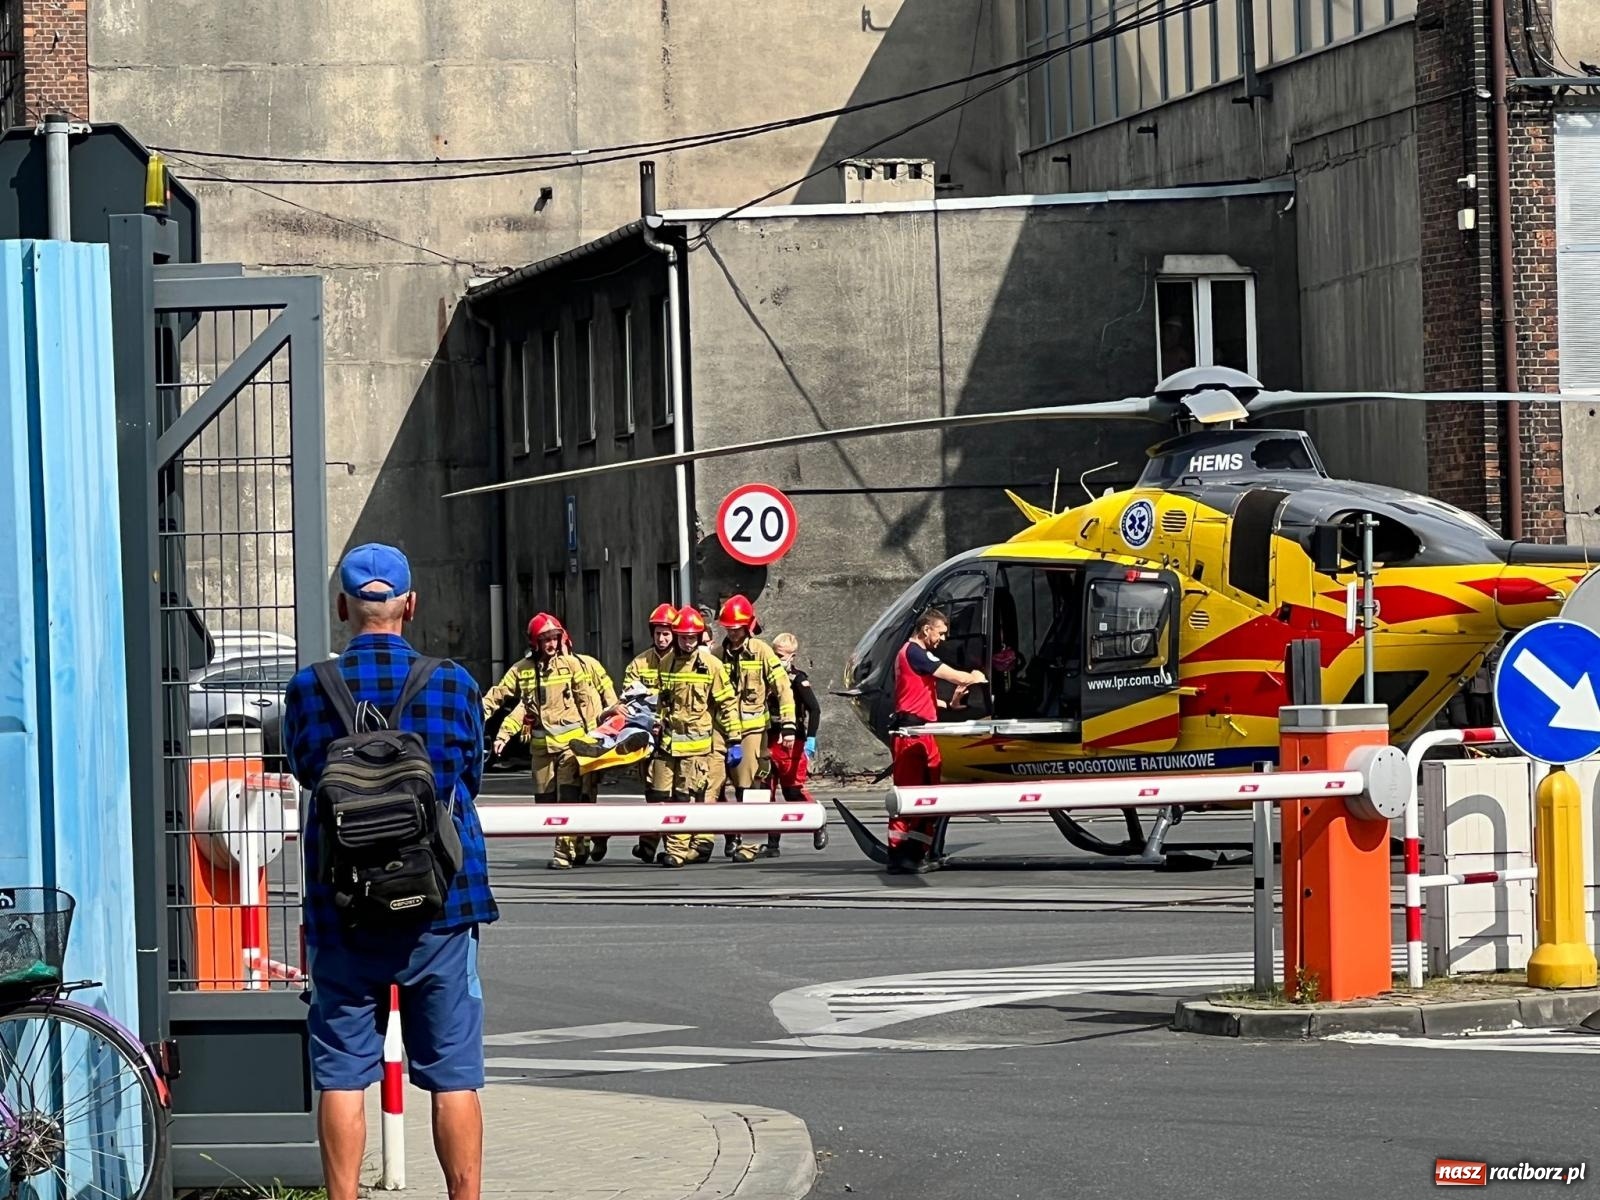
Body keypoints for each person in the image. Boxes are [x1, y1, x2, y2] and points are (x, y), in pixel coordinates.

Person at [281, 543, 495, 1200]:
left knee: (343, 1071)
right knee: (454, 1074)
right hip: (441, 905)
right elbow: (469, 779)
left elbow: (308, 774)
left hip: (342, 905)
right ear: (411, 605)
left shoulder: (311, 687)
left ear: (342, 607)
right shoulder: (453, 683)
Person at [483, 612, 600, 869]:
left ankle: (563, 853)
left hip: (571, 747)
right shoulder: (522, 670)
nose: (551, 644)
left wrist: (594, 738)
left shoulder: (571, 666)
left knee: (567, 799)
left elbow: (586, 702)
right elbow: (503, 697)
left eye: (555, 638)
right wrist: (482, 718)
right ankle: (580, 843)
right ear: (534, 642)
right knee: (545, 805)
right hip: (541, 751)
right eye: (546, 639)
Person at [886, 607, 985, 874]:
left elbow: (921, 696)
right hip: (912, 735)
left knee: (930, 794)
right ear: (926, 629)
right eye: (940, 633)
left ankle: (918, 851)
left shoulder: (913, 656)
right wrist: (974, 677)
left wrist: (950, 703)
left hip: (923, 731)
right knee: (911, 795)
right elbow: (954, 675)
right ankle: (899, 855)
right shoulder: (916, 653)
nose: (942, 639)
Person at [645, 606, 742, 867]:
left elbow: (727, 704)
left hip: (696, 747)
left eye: (692, 638)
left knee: (684, 797)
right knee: (660, 796)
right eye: (683, 637)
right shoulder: (666, 663)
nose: (688, 643)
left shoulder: (711, 666)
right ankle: (673, 846)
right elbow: (662, 701)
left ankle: (677, 851)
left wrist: (734, 740)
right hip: (667, 744)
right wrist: (655, 724)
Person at [711, 594, 796, 862]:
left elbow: (783, 688)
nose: (733, 633)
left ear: (748, 626)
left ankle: (749, 843)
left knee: (748, 789)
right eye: (729, 628)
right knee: (711, 785)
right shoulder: (717, 655)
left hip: (751, 730)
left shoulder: (761, 652)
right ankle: (717, 840)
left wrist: (789, 725)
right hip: (721, 729)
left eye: (737, 628)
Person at [752, 631, 827, 859]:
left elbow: (814, 709)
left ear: (792, 656)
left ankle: (818, 822)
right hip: (768, 739)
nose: (777, 659)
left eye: (782, 656)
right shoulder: (765, 677)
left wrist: (810, 738)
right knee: (767, 792)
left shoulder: (797, 679)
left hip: (791, 741)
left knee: (792, 790)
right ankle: (772, 843)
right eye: (775, 654)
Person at [623, 603, 680, 863]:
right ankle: (648, 843)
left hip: (675, 736)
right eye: (658, 633)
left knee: (671, 793)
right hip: (647, 735)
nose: (662, 638)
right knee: (653, 790)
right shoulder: (640, 662)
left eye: (667, 633)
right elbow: (629, 697)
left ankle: (668, 845)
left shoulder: (683, 662)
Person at [570, 635, 619, 862]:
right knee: (565, 798)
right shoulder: (546, 670)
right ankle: (593, 836)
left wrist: (613, 722)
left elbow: (610, 696)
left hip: (590, 742)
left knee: (584, 795)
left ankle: (584, 843)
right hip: (562, 746)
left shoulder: (589, 665)